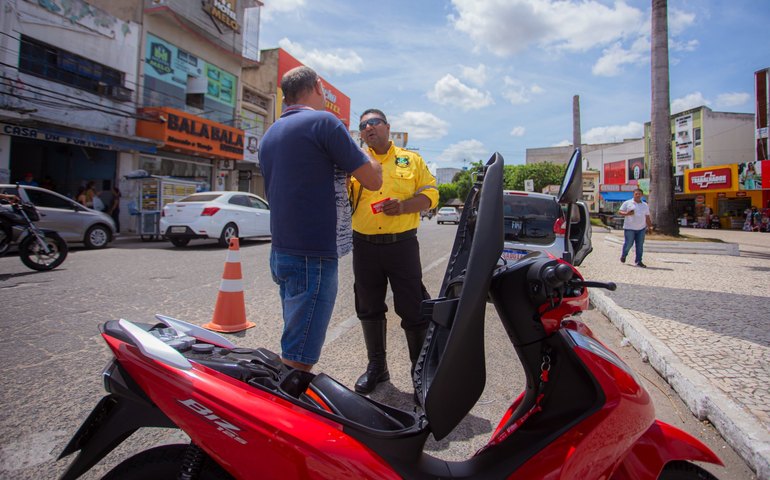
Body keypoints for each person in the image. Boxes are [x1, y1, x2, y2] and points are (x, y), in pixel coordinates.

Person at [259, 66, 382, 372]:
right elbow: (373, 180)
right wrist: (364, 151)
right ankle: (282, 412)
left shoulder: (270, 133)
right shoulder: (324, 122)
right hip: (312, 256)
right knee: (298, 357)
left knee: (294, 337)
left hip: (282, 253)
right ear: (317, 87)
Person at [349, 108, 439, 395]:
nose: (368, 128)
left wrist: (403, 206)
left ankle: (419, 370)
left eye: (374, 122)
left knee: (412, 307)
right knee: (368, 306)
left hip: (402, 245)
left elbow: (431, 195)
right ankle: (377, 367)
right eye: (363, 125)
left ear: (388, 127)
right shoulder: (354, 163)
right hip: (363, 245)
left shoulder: (410, 159)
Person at [618, 188, 652, 268]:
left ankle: (638, 261)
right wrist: (627, 213)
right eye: (636, 194)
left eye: (639, 194)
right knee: (628, 243)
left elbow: (647, 216)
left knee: (640, 245)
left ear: (642, 195)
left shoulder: (645, 205)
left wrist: (650, 226)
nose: (638, 195)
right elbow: (620, 212)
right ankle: (624, 255)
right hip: (629, 227)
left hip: (641, 228)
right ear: (633, 194)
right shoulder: (628, 203)